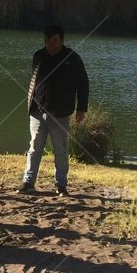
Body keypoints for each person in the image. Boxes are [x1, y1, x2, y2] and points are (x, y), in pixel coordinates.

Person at [20, 24, 89, 197]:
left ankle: (61, 185)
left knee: (60, 151)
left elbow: (83, 83)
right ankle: (28, 182)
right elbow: (34, 81)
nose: (51, 44)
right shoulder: (39, 56)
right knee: (34, 148)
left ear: (62, 40)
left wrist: (81, 108)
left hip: (61, 113)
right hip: (37, 111)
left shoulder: (72, 58)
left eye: (55, 41)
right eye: (48, 41)